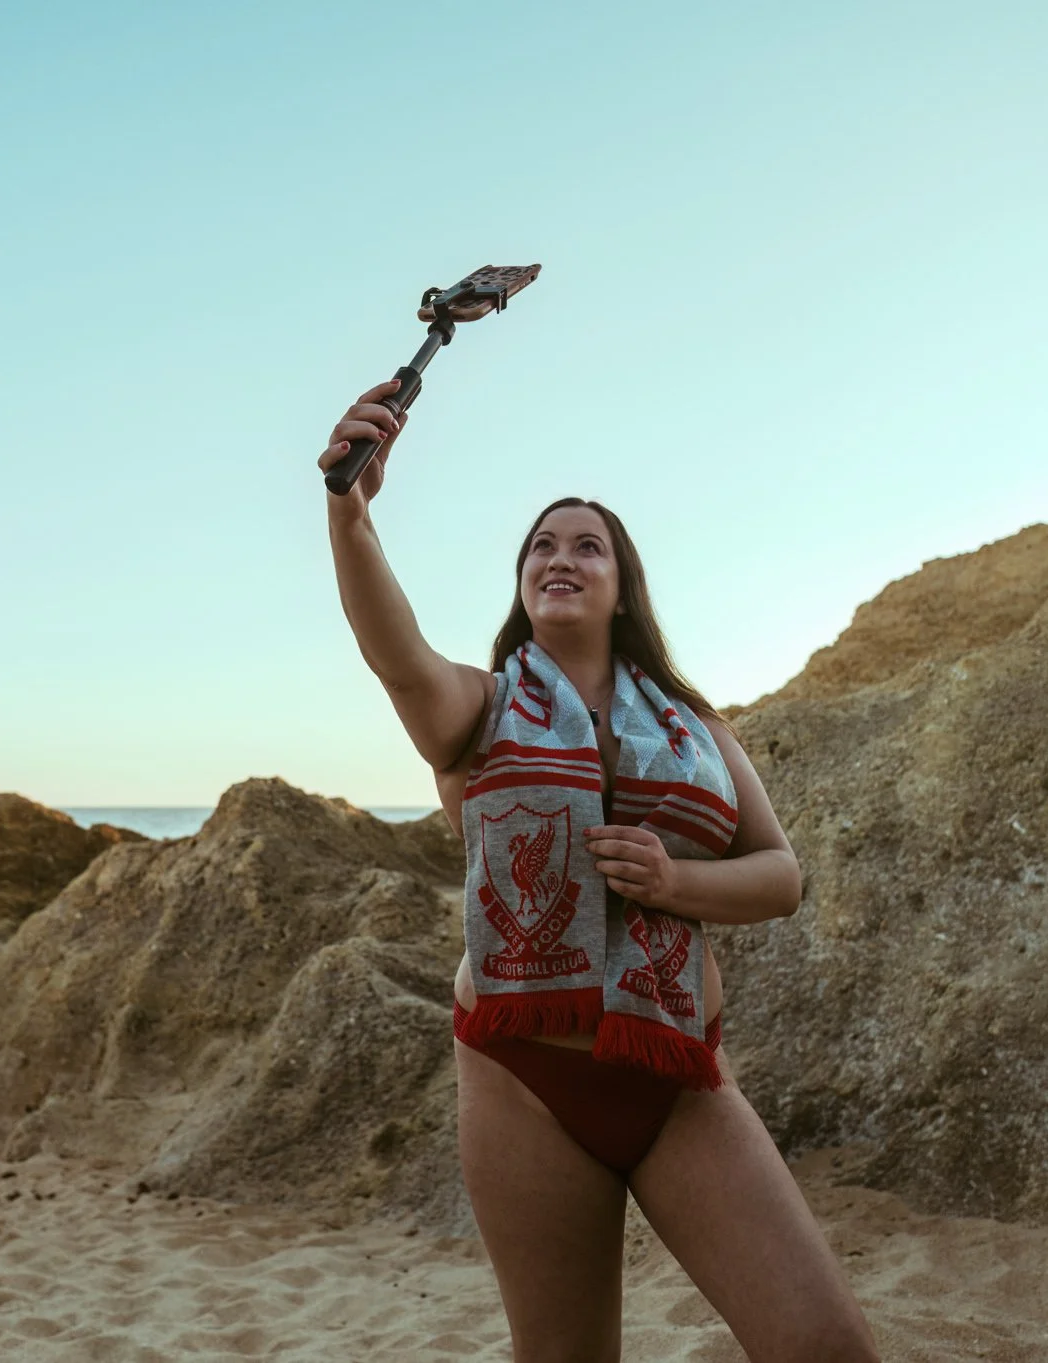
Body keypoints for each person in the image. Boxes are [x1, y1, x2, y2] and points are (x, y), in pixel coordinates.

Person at [319, 378, 880, 1363]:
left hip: (679, 1073)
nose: (560, 557)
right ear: (523, 584)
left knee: (825, 1347)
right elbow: (395, 655)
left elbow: (780, 875)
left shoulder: (696, 730)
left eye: (588, 546)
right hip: (526, 1082)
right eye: (541, 544)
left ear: (622, 589)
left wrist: (673, 882)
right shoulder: (477, 710)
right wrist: (350, 517)